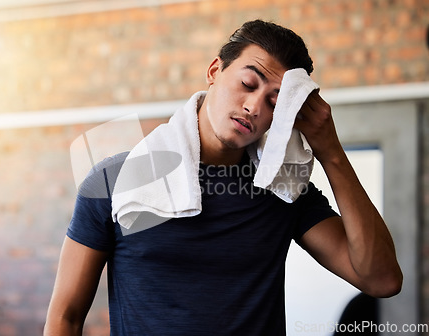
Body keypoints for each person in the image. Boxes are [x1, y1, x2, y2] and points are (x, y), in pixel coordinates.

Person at [44, 20, 402, 335]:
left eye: (275, 103)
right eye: (248, 83)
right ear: (214, 70)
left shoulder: (284, 190)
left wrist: (331, 153)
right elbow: (66, 316)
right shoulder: (114, 181)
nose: (254, 107)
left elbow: (382, 279)